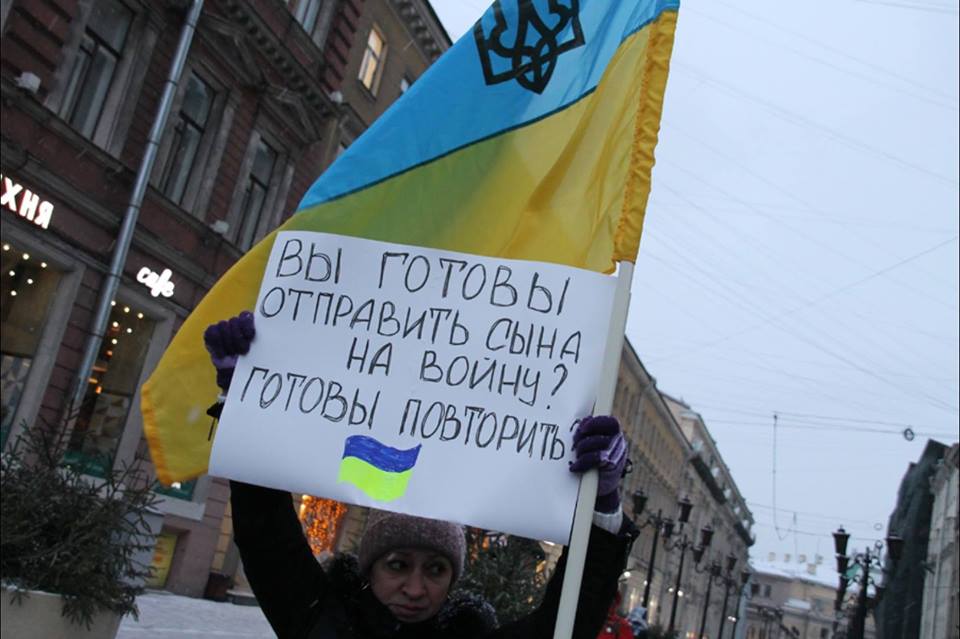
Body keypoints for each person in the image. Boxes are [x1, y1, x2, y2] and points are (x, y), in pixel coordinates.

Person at [205, 312, 638, 638]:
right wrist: (246, 398)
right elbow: (265, 533)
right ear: (370, 568)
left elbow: (568, 621)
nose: (415, 589)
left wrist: (601, 503)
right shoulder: (317, 619)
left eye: (435, 569)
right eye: (398, 565)